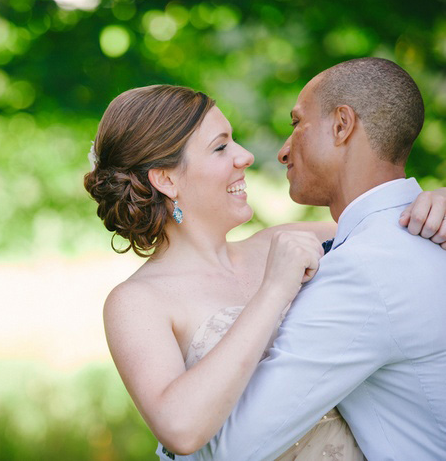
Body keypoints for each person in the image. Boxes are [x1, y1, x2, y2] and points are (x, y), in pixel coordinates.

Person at [83, 81, 446, 459]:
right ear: (166, 179)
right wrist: (273, 292)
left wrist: (436, 199)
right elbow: (180, 430)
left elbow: (387, 233)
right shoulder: (137, 302)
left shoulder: (290, 238)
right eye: (221, 147)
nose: (245, 157)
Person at [196, 58, 446, 460]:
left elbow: (236, 450)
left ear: (342, 125)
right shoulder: (424, 238)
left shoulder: (365, 269)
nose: (282, 151)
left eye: (297, 124)